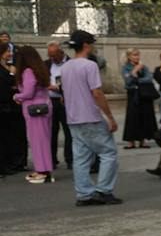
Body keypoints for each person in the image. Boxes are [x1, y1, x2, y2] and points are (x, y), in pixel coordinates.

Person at [60, 31, 121, 207]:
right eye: (92, 44)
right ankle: (104, 190)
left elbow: (65, 94)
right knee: (108, 152)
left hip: (73, 118)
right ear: (86, 45)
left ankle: (84, 193)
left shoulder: (66, 67)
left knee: (81, 157)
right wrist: (109, 116)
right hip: (90, 116)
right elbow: (96, 92)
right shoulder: (90, 66)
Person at [12, 44, 54, 182]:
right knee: (44, 140)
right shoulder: (39, 69)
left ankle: (42, 171)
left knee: (37, 141)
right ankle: (46, 170)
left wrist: (17, 96)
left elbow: (28, 93)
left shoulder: (28, 71)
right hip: (44, 106)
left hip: (34, 109)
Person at [121, 49, 159, 149]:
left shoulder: (144, 67)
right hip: (133, 94)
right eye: (134, 55)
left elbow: (149, 78)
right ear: (129, 56)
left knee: (145, 116)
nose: (137, 57)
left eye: (138, 55)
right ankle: (131, 141)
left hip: (144, 94)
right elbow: (127, 81)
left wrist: (136, 78)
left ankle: (143, 140)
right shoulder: (126, 68)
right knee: (132, 117)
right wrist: (134, 71)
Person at [47, 41, 71, 170]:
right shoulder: (46, 64)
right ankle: (51, 159)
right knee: (51, 132)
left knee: (69, 131)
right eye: (49, 55)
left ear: (61, 52)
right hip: (50, 101)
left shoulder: (70, 63)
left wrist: (59, 88)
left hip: (65, 100)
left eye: (54, 55)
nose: (52, 58)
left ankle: (70, 159)